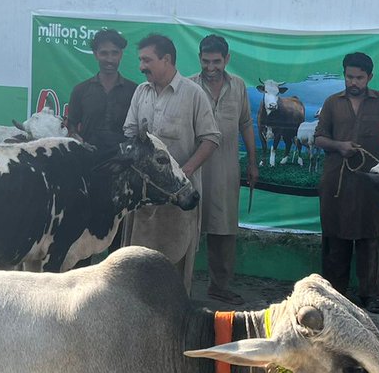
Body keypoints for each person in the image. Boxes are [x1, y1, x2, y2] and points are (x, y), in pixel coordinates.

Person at [314, 51, 379, 315]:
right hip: (336, 178)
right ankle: (333, 293)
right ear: (345, 75)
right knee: (335, 236)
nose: (353, 82)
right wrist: (338, 146)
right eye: (349, 76)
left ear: (369, 77)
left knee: (370, 238)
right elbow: (318, 138)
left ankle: (371, 294)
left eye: (359, 78)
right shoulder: (332, 103)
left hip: (371, 179)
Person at [123, 33, 220, 293]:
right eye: (141, 60)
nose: (141, 66)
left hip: (179, 202)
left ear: (167, 59)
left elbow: (211, 139)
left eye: (147, 60)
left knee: (174, 276)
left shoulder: (193, 94)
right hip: (144, 204)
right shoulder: (140, 92)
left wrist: (183, 173)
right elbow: (130, 134)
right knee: (137, 269)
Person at [189, 34, 258, 305]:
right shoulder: (188, 86)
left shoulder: (239, 86)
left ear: (227, 59)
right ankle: (178, 286)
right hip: (193, 169)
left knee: (224, 231)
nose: (210, 67)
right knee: (188, 229)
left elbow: (245, 124)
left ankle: (219, 286)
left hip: (227, 169)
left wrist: (252, 162)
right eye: (206, 61)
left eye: (216, 61)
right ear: (200, 59)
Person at [65, 27, 138, 149]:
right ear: (95, 55)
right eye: (104, 53)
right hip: (88, 160)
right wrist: (75, 137)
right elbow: (71, 125)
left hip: (124, 162)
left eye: (114, 53)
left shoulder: (135, 91)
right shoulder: (80, 90)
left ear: (121, 54)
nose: (109, 59)